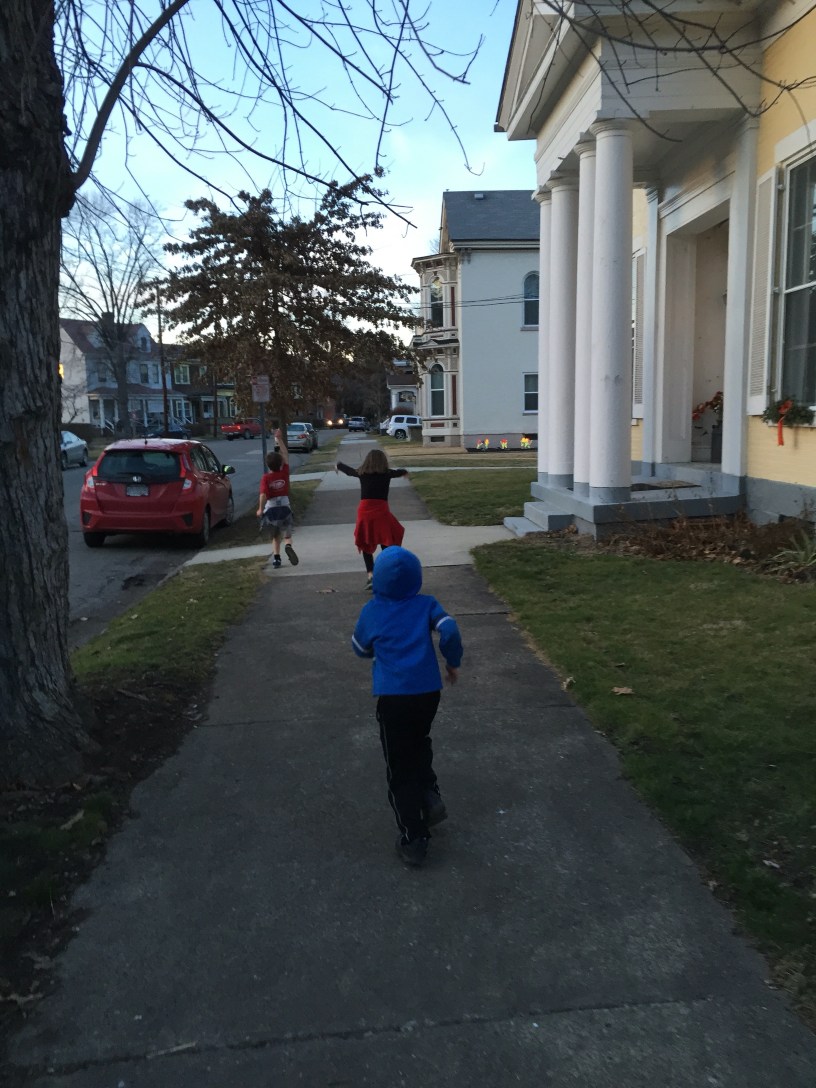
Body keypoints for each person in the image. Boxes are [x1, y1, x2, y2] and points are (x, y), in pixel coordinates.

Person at [351, 546, 463, 867]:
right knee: (419, 741)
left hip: (394, 698)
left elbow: (359, 647)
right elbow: (449, 629)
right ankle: (429, 793)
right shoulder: (427, 604)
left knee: (398, 764)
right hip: (427, 694)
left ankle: (414, 837)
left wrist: (376, 649)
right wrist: (452, 661)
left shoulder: (372, 610)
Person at [335, 449, 409, 589]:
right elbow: (399, 472)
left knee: (366, 540)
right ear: (383, 461)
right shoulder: (387, 473)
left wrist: (338, 466)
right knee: (387, 538)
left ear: (367, 461)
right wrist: (405, 472)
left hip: (365, 511)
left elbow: (349, 471)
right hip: (381, 511)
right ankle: (387, 573)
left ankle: (371, 575)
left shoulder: (362, 473)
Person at [257, 428, 299, 569]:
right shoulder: (284, 473)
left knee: (275, 536)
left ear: (268, 465)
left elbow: (263, 495)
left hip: (272, 509)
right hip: (285, 507)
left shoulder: (266, 478)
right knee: (287, 534)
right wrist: (279, 439)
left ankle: (276, 559)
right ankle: (288, 546)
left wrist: (260, 509)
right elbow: (285, 454)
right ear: (280, 463)